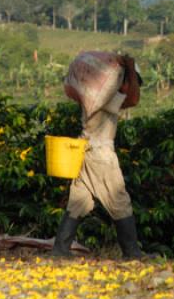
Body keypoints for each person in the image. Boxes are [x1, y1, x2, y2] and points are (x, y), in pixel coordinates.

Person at [52, 53, 145, 260]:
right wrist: (129, 67)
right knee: (119, 201)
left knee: (78, 201)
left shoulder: (99, 96)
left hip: (86, 151)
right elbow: (134, 99)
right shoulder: (108, 98)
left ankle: (60, 250)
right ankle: (132, 253)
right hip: (101, 155)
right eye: (130, 82)